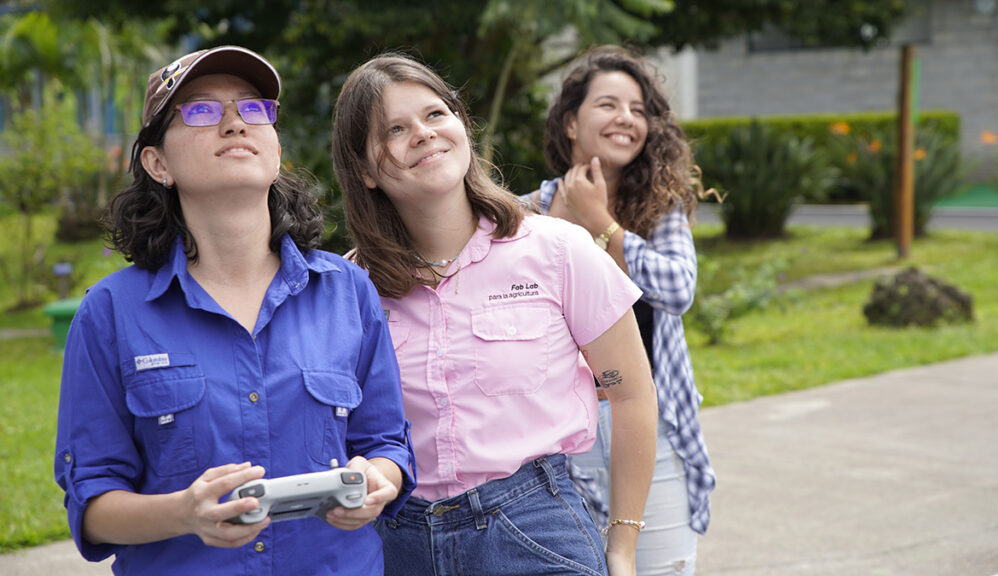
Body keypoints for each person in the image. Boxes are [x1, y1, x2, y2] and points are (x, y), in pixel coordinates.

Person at [53, 45, 415, 576]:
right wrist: (183, 513)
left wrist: (379, 481)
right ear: (158, 163)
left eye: (252, 110)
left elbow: (387, 443)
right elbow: (93, 506)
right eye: (200, 110)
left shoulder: (348, 291)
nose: (233, 124)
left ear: (275, 149)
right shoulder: (109, 313)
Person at [330, 53, 659, 576]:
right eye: (394, 128)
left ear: (461, 125)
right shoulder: (349, 287)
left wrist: (622, 547)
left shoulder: (559, 250)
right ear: (365, 170)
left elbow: (631, 393)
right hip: (397, 542)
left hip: (531, 530)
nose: (423, 133)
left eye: (436, 114)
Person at [529, 46, 717, 576]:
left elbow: (679, 288)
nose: (626, 119)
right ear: (571, 121)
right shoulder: (525, 212)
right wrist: (566, 223)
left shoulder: (662, 210)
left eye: (638, 110)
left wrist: (601, 223)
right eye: (608, 104)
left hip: (650, 427)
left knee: (660, 567)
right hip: (561, 436)